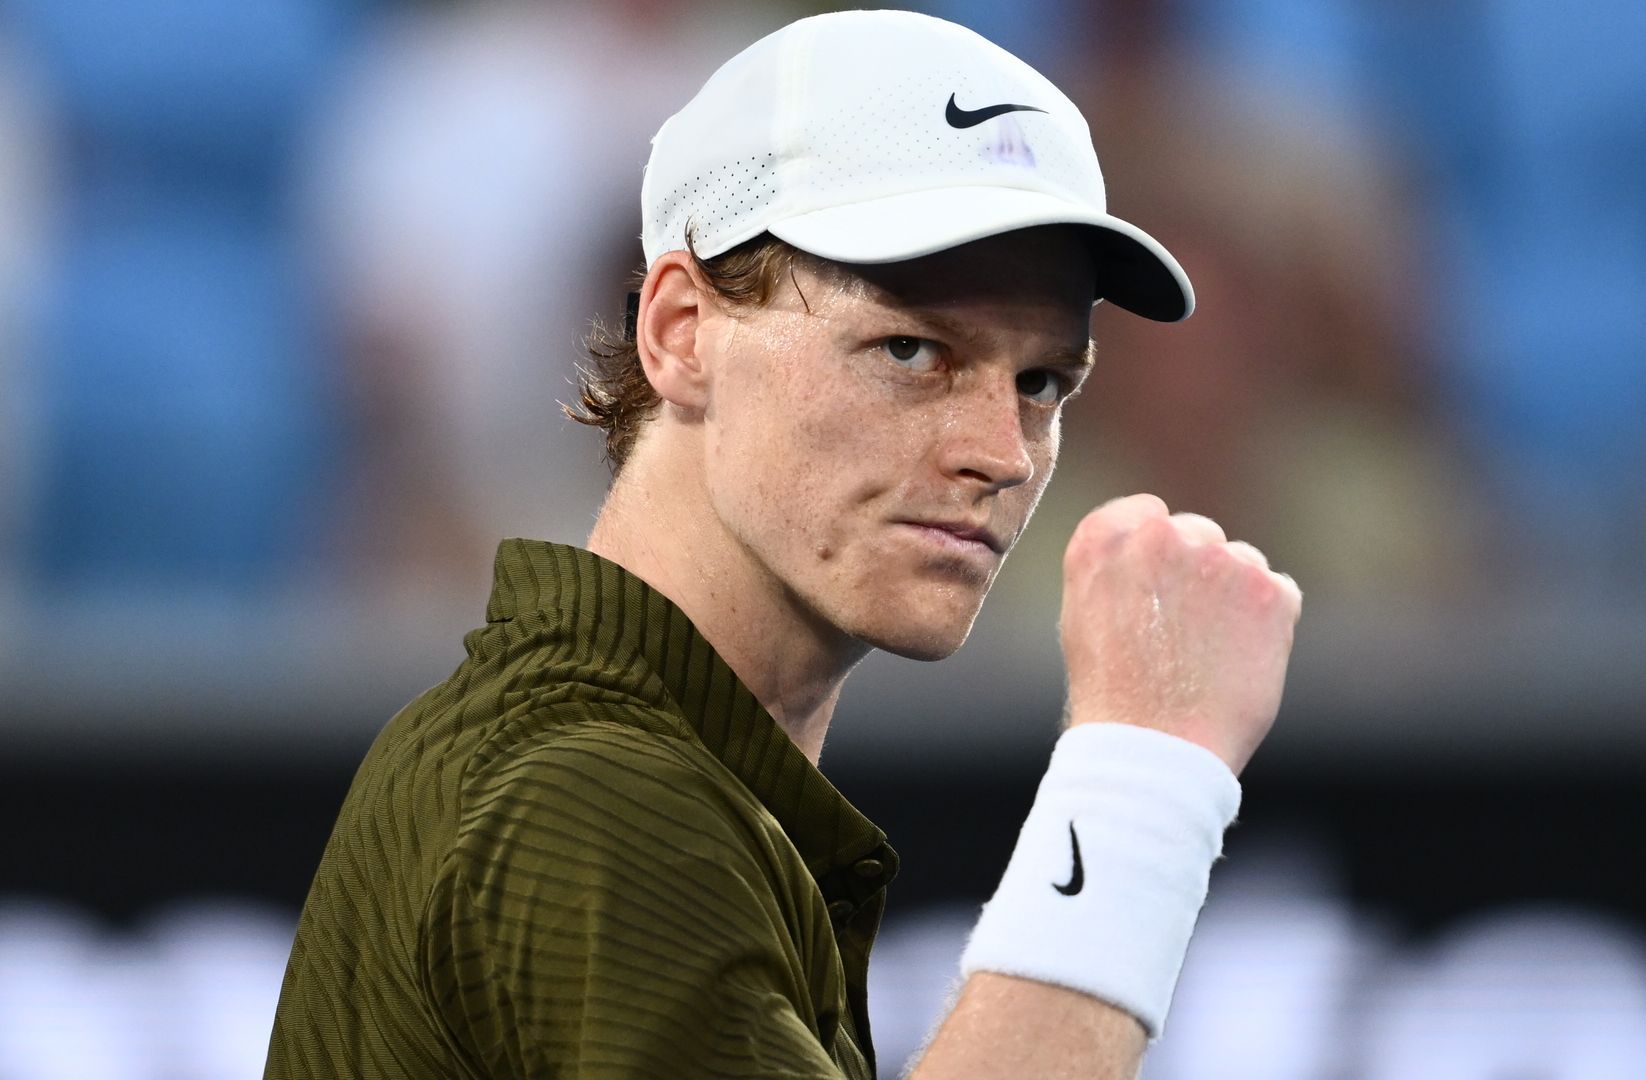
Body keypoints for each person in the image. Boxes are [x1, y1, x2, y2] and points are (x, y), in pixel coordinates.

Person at [265, 10, 1301, 1079]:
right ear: (679, 331)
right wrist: (1140, 783)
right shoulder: (598, 801)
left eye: (1041, 382)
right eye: (910, 349)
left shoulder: (622, 772)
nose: (1000, 453)